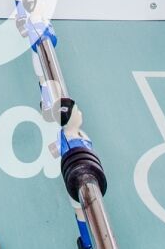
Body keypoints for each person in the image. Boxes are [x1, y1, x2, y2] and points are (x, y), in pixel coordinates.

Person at [52, 98, 99, 249]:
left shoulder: (68, 134)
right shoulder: (73, 144)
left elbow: (53, 150)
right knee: (81, 213)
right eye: (77, 112)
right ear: (69, 120)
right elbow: (54, 150)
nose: (80, 114)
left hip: (85, 176)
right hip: (78, 182)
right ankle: (87, 244)